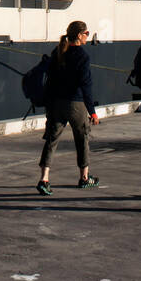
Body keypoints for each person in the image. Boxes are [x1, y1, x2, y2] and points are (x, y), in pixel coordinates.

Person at [36, 20, 99, 196]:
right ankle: (84, 178)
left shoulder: (57, 52)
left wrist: (49, 105)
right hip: (75, 103)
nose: (88, 36)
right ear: (79, 35)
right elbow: (86, 85)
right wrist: (92, 111)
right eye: (86, 33)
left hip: (56, 103)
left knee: (52, 139)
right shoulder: (82, 56)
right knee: (82, 138)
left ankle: (44, 179)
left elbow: (50, 80)